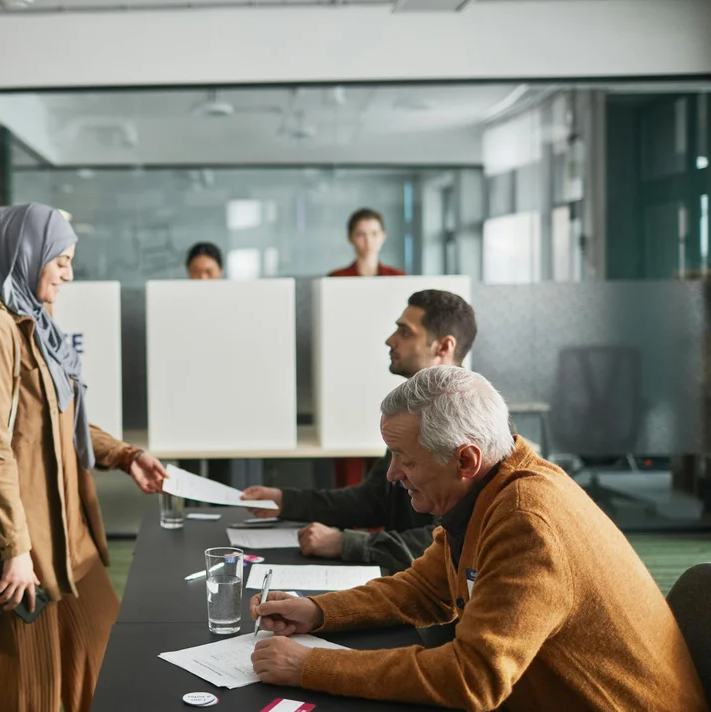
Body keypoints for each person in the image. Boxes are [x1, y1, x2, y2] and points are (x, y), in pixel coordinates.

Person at [249, 366, 707, 712]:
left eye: (404, 459)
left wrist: (308, 666)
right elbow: (426, 588)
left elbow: (474, 678)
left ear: (465, 459)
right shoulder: (491, 486)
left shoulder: (526, 522)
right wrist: (319, 610)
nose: (392, 475)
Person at [0, 203, 168, 712]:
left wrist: (123, 455)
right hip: (27, 541)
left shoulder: (33, 320)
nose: (69, 273)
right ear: (25, 254)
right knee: (36, 687)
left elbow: (59, 417)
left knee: (101, 655)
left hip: (68, 535)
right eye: (61, 259)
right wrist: (16, 548)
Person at [241, 289, 476, 572]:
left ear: (443, 347)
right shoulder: (416, 411)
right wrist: (285, 500)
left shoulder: (469, 423)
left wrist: (347, 543)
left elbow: (450, 539)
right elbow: (374, 499)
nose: (390, 340)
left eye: (404, 332)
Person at [328, 208, 404, 278]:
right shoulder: (337, 278)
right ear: (350, 238)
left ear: (383, 236)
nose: (368, 241)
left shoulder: (398, 277)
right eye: (361, 234)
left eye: (374, 234)